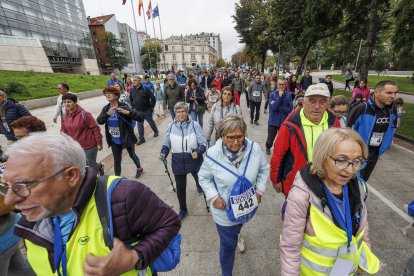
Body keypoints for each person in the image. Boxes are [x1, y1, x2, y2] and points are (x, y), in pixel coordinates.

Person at [2, 132, 180, 275]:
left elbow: (169, 223)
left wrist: (134, 257)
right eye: (5, 185)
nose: (9, 200)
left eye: (23, 185)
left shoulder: (124, 195)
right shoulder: (32, 215)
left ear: (71, 176)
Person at [280, 128, 380, 275]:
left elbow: (362, 231)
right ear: (322, 157)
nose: (351, 170)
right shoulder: (301, 196)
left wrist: (363, 258)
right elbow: (290, 248)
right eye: (341, 160)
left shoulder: (360, 188)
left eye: (357, 161)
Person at [199, 116, 269, 276]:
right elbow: (203, 177)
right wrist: (214, 197)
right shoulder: (212, 154)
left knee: (238, 228)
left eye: (239, 136)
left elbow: (264, 169)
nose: (236, 142)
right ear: (222, 136)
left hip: (247, 206)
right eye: (230, 138)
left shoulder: (254, 149)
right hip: (224, 211)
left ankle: (237, 234)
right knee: (227, 245)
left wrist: (259, 190)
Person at [270, 83, 337, 198]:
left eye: (322, 102)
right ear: (303, 102)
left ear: (328, 103)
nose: (317, 106)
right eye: (312, 101)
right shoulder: (290, 125)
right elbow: (278, 154)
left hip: (325, 182)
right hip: (297, 182)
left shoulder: (334, 123)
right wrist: (276, 179)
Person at [159, 102, 207, 221]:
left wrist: (199, 152)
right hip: (178, 160)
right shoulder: (170, 126)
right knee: (180, 187)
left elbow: (203, 144)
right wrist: (163, 153)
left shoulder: (195, 125)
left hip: (194, 159)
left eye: (183, 111)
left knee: (200, 179)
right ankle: (183, 209)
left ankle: (200, 187)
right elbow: (166, 143)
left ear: (187, 112)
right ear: (175, 113)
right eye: (178, 111)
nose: (181, 114)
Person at [347, 80, 398, 181]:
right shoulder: (361, 109)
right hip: (356, 156)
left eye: (395, 93)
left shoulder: (392, 110)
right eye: (389, 92)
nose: (393, 96)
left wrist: (384, 148)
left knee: (363, 182)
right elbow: (347, 132)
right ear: (377, 92)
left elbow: (392, 129)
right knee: (350, 183)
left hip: (374, 155)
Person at [97, 86, 144, 178]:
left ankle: (139, 168)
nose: (107, 95)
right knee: (117, 160)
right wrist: (107, 114)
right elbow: (99, 121)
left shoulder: (124, 106)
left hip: (126, 136)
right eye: (106, 93)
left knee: (132, 155)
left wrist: (128, 113)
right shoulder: (106, 108)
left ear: (117, 95)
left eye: (110, 93)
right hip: (114, 139)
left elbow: (139, 118)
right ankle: (117, 178)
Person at [60, 93, 103, 173]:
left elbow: (96, 128)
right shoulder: (64, 116)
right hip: (75, 146)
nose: (66, 104)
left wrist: (99, 143)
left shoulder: (85, 114)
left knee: (91, 164)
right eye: (64, 102)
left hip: (89, 145)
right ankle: (99, 166)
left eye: (69, 102)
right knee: (82, 164)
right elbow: (63, 131)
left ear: (75, 102)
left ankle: (94, 180)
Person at [265, 79, 293, 155]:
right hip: (273, 121)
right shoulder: (272, 95)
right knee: (270, 140)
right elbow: (273, 108)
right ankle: (268, 147)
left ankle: (279, 151)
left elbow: (290, 109)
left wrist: (279, 108)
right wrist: (279, 97)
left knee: (282, 140)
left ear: (285, 85)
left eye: (283, 84)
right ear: (277, 85)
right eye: (280, 84)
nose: (281, 86)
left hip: (283, 122)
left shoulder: (288, 95)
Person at [129, 75, 158, 145]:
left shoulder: (146, 88)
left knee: (151, 122)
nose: (134, 82)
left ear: (139, 81)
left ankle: (156, 131)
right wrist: (133, 107)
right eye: (133, 81)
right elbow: (131, 99)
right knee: (139, 126)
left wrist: (152, 107)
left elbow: (153, 98)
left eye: (135, 80)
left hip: (147, 110)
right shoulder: (132, 90)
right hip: (138, 111)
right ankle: (141, 139)